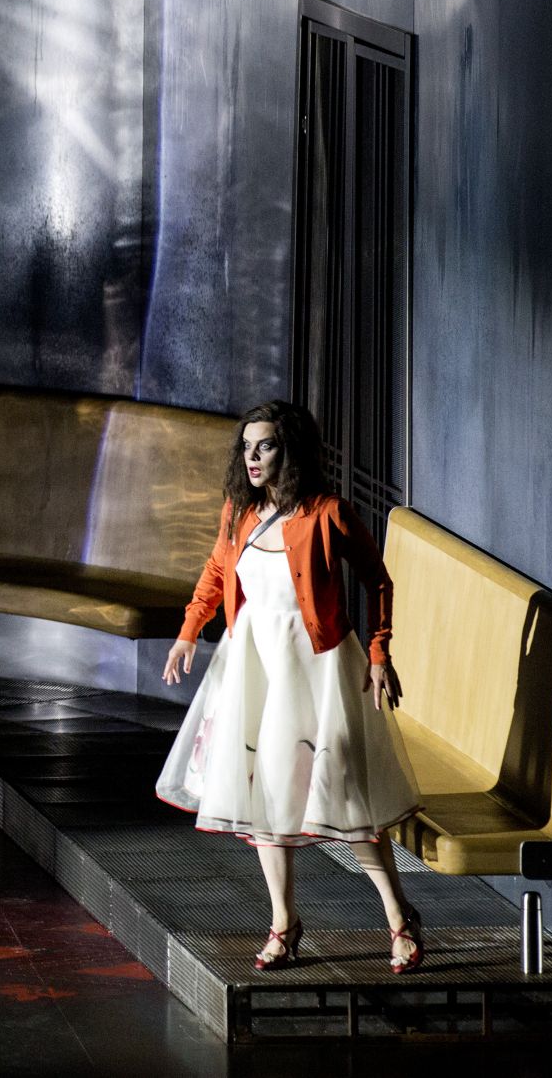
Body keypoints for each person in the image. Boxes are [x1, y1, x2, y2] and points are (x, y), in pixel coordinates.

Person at [154, 400, 426, 974]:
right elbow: (217, 571)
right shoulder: (239, 511)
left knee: (341, 793)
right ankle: (284, 923)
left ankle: (399, 916)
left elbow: (377, 580)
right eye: (246, 447)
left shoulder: (329, 512)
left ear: (291, 450)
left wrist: (379, 651)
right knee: (267, 796)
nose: (252, 458)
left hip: (316, 668)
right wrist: (188, 631)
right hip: (257, 665)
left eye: (266, 446)